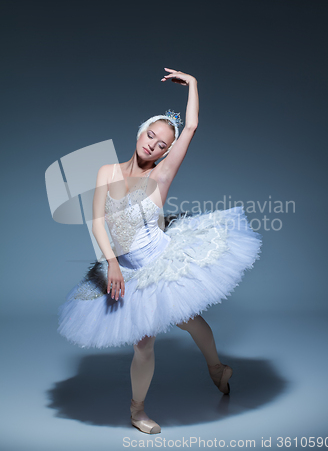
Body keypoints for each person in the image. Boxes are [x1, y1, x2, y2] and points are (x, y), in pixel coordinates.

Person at [57, 67, 262, 434]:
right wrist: (113, 264)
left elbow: (193, 127)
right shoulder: (108, 171)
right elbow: (97, 222)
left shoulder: (161, 176)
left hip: (162, 261)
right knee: (144, 343)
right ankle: (138, 410)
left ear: (167, 151)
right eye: (150, 135)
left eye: (162, 144)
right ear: (140, 133)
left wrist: (195, 85)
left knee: (189, 319)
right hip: (129, 270)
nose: (152, 144)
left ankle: (216, 368)